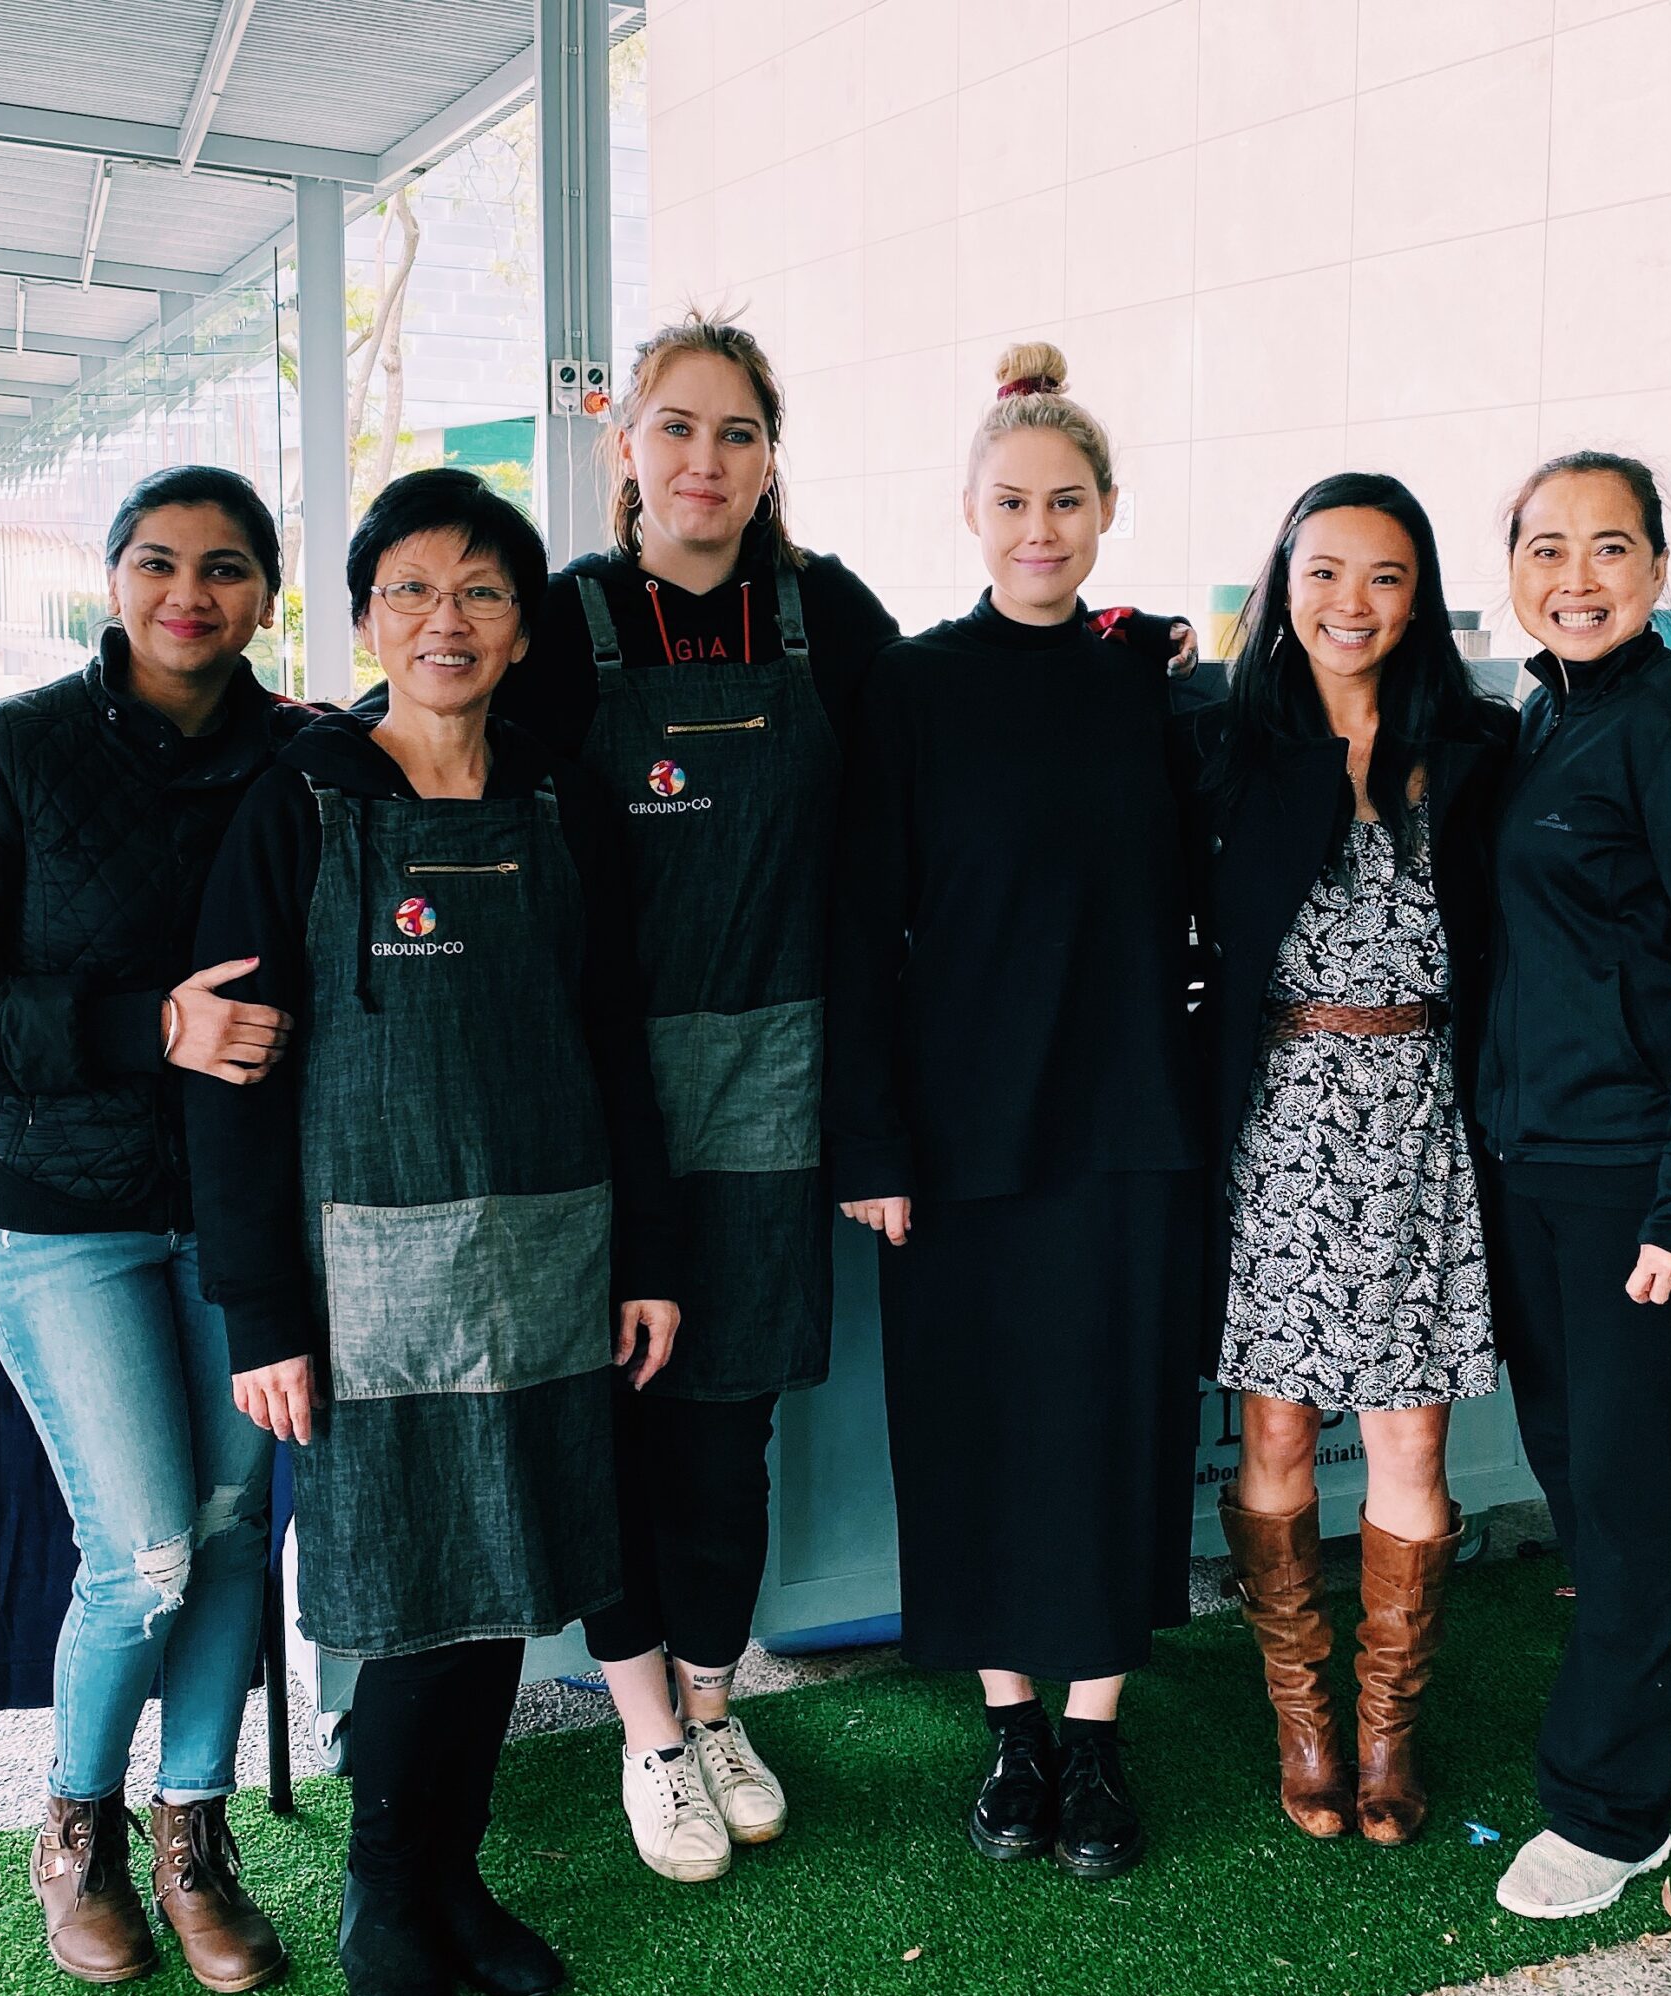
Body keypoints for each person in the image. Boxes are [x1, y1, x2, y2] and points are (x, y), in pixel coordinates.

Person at [498, 310, 1194, 1883]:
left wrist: (1141, 650)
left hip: (772, 1084)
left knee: (726, 1422)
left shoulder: (832, 618)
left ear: (770, 459)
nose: (706, 461)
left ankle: (719, 1700)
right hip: (596, 1086)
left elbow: (991, 726)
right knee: (618, 1422)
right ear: (626, 450)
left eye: (737, 434)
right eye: (677, 429)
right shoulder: (562, 625)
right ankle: (649, 1737)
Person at [185, 468, 681, 1996]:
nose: (443, 621)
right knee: (411, 1590)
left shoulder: (560, 799)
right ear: (365, 617)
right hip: (363, 1277)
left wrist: (646, 1257)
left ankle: (457, 1877)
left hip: (547, 1247)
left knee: (504, 1577)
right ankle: (384, 1893)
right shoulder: (305, 798)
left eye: (477, 592)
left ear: (523, 627)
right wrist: (261, 1311)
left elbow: (616, 1042)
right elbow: (234, 1075)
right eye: (409, 590)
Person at [0, 466, 300, 1994]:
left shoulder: (301, 752)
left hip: (245, 1223)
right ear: (113, 580)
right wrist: (145, 1029)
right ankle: (79, 1829)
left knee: (243, 1530)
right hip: (66, 1222)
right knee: (147, 1550)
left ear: (267, 593)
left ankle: (197, 1835)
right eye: (161, 562)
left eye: (229, 568)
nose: (194, 592)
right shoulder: (22, 748)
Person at [827, 342, 1206, 1881]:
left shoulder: (1155, 685)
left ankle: (1100, 1736)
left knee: (1116, 1425)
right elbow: (856, 926)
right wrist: (873, 1143)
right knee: (973, 1427)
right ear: (969, 513)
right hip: (959, 1134)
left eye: (1067, 501)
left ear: (1108, 510)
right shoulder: (911, 687)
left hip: (1129, 1124)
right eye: (1012, 503)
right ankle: (1010, 1733)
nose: (1039, 528)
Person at [1472, 452, 1671, 1920]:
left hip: (1639, 1181)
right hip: (1533, 1163)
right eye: (1547, 547)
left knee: (1630, 1479)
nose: (1577, 576)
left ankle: (1611, 1805)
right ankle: (1665, 1695)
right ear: (1512, 567)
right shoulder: (1543, 717)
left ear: (1659, 570)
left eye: (1610, 549)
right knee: (1574, 1459)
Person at [1193, 473, 1514, 1846]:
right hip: (1279, 1113)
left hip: (1427, 1115)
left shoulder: (1481, 746)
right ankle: (1302, 1718)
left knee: (1409, 1431)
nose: (1353, 603)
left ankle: (1388, 1733)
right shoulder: (1224, 742)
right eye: (1324, 572)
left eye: (1384, 576)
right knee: (1274, 1425)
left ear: (1421, 594)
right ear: (1283, 584)